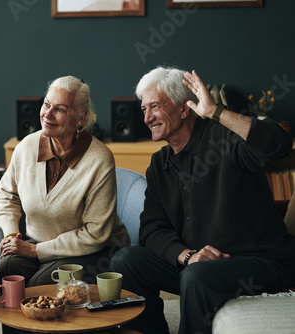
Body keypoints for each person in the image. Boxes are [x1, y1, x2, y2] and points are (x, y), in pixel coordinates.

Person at [111, 67, 295, 334]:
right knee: (125, 260)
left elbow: (278, 144)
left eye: (155, 107)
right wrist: (188, 257)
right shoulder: (159, 163)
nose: (147, 117)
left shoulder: (224, 137)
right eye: (143, 109)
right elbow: (152, 228)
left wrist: (216, 112)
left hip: (260, 263)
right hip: (197, 266)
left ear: (185, 109)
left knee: (196, 277)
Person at [0, 75, 130, 286]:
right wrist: (12, 235)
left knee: (41, 285)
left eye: (60, 109)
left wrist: (35, 251)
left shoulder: (99, 159)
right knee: (7, 270)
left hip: (95, 251)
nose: (47, 114)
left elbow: (95, 234)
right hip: (39, 244)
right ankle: (14, 321)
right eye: (46, 104)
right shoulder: (26, 147)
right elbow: (6, 194)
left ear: (80, 118)